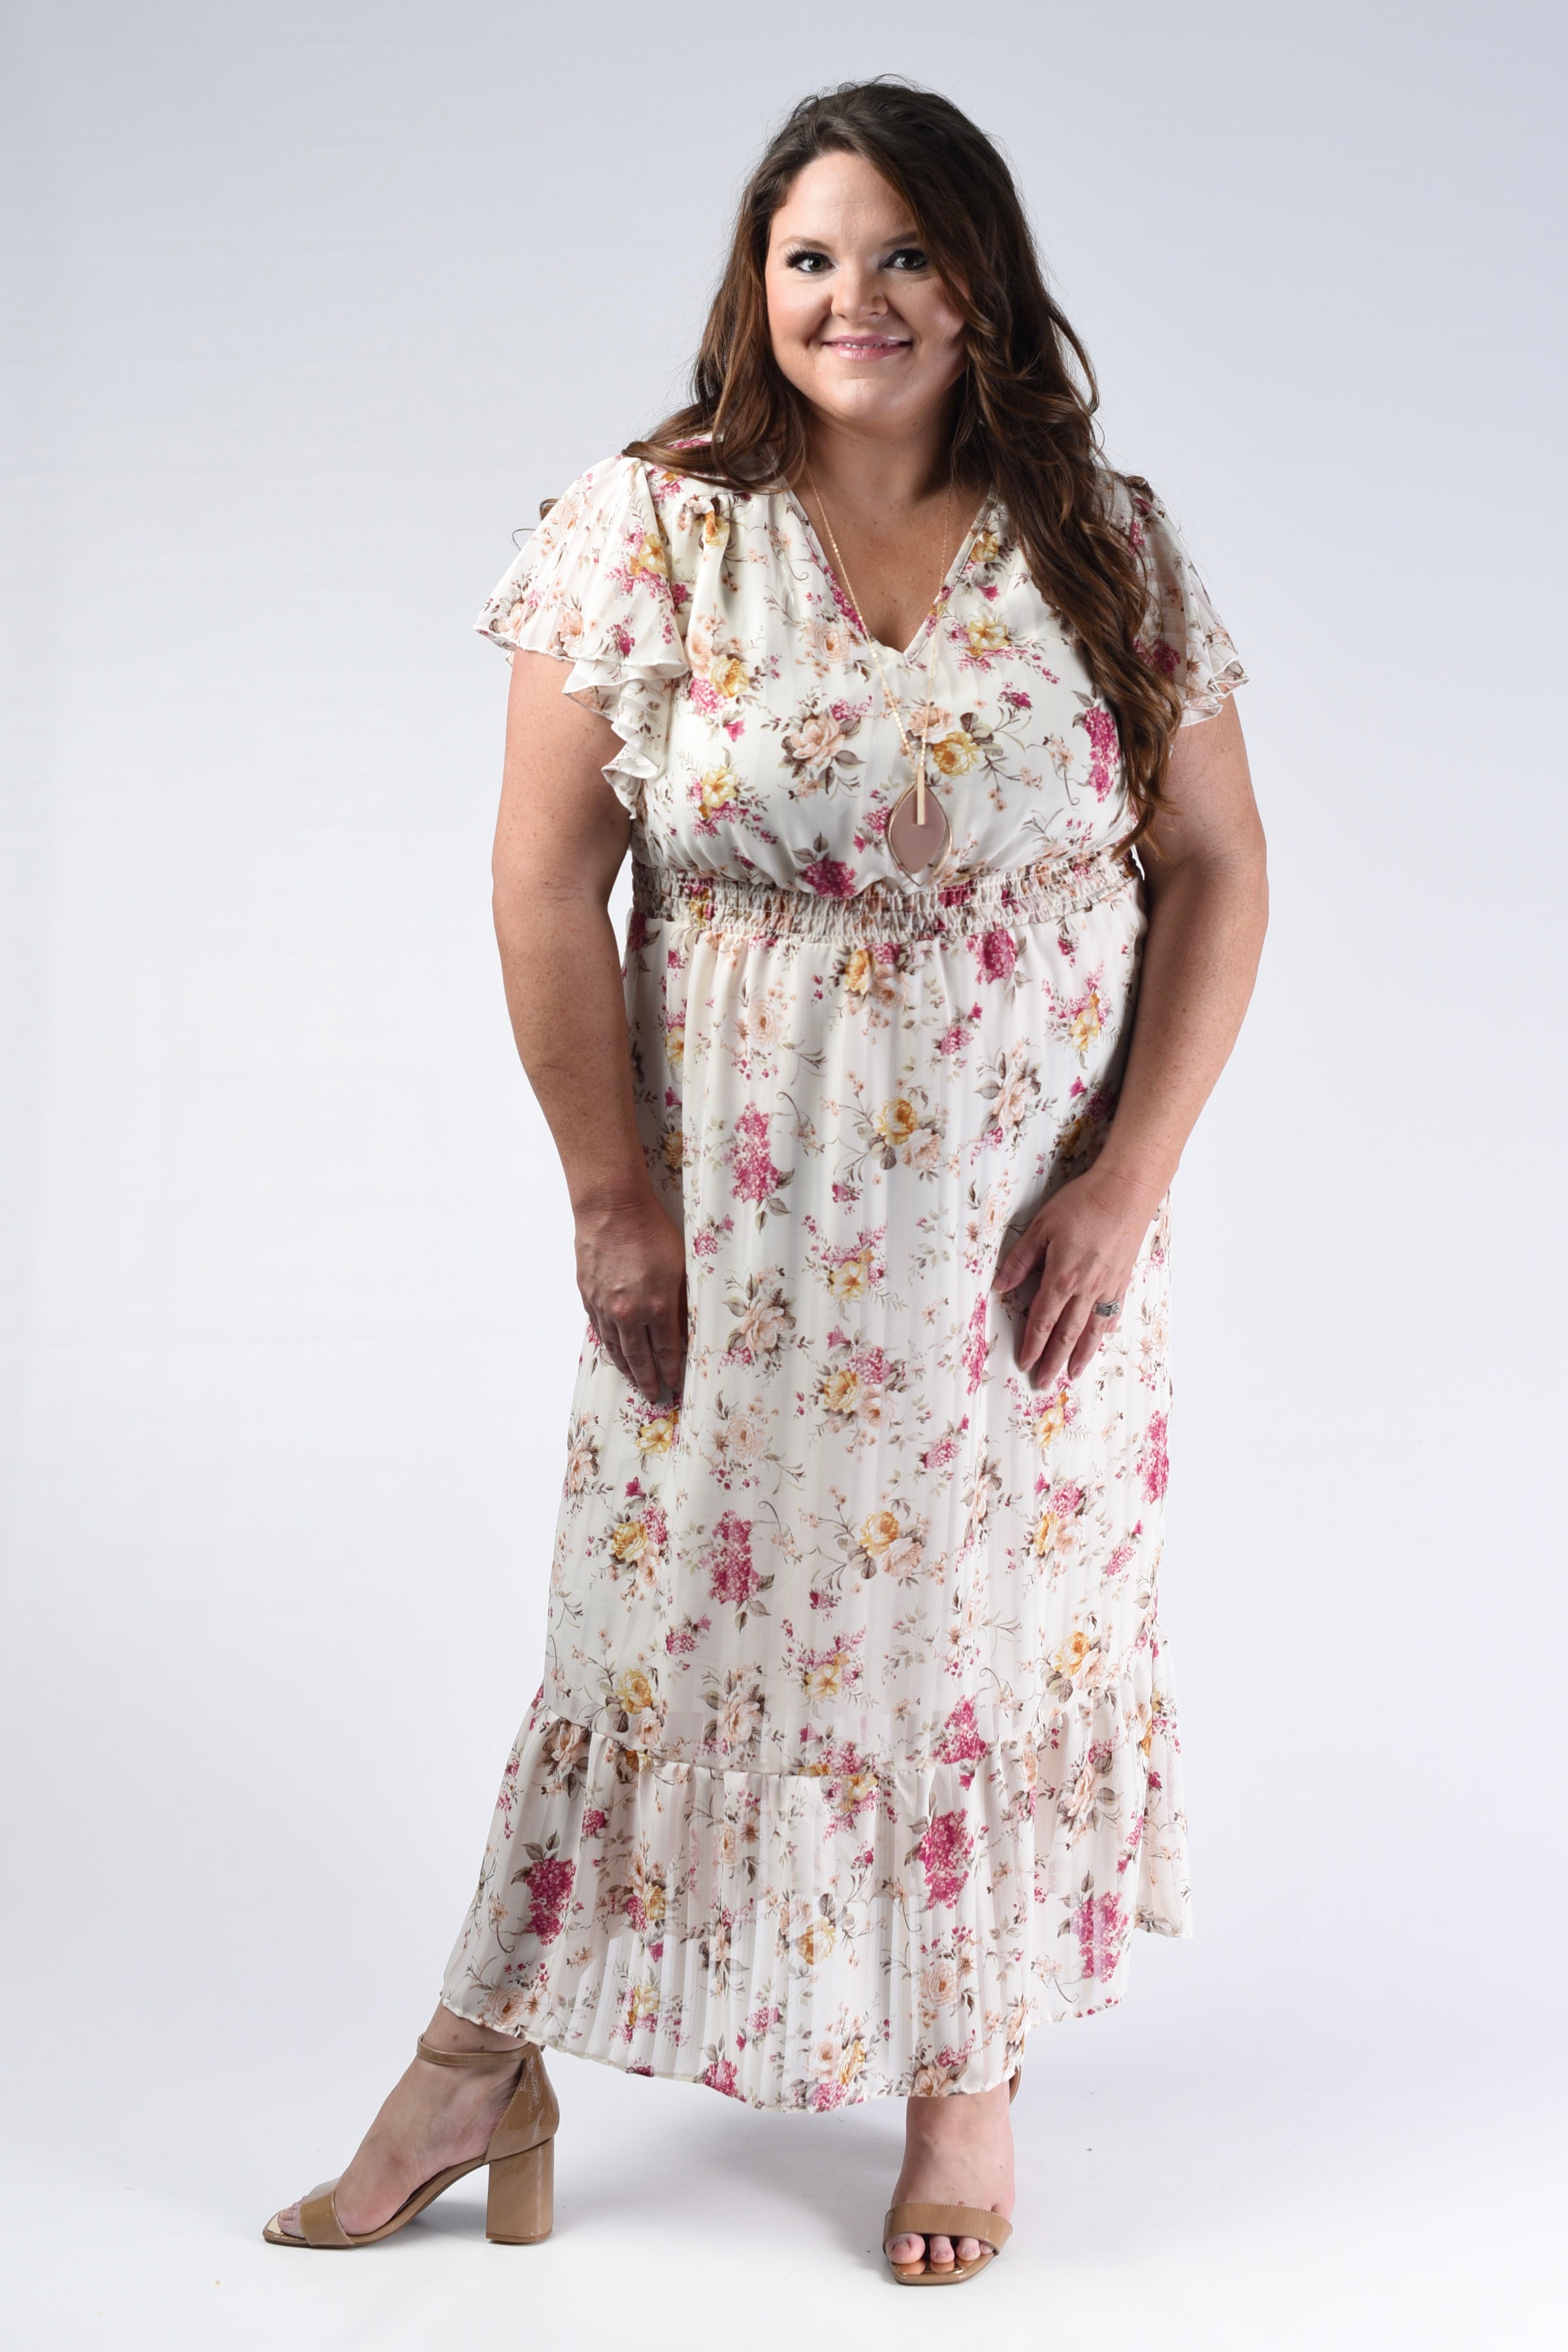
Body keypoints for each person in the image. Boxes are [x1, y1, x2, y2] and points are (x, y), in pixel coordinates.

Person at [265, 77, 1267, 2283]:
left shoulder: (1103, 542)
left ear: (981, 279)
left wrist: (1128, 1185)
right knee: (658, 1632)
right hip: (742, 1234)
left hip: (1021, 1248)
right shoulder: (651, 527)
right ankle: (476, 2062)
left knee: (992, 1625)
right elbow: (542, 883)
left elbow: (1218, 868)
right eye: (810, 255)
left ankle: (968, 2082)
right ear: (757, 282)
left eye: (904, 252)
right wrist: (610, 1203)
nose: (854, 297)